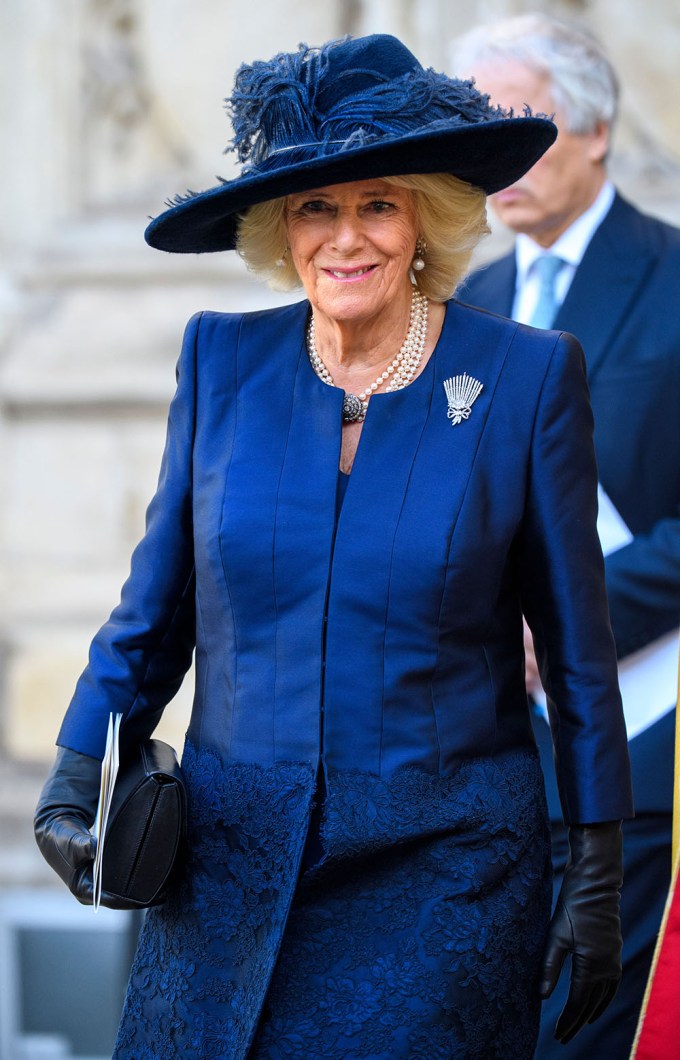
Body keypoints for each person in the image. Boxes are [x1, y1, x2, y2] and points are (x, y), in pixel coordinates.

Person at [33, 34, 633, 1059]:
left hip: (443, 866)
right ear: (280, 227)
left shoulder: (526, 378)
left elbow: (574, 650)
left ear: (425, 220)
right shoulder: (221, 360)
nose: (344, 237)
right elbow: (154, 605)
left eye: (377, 204)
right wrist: (76, 762)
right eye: (316, 206)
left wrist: (592, 871)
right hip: (225, 857)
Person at [453, 13, 680, 1059]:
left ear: (591, 129)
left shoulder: (671, 276)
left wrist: (571, 622)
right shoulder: (468, 307)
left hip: (640, 751)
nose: (491, 149)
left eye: (516, 120)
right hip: (493, 766)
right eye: (472, 125)